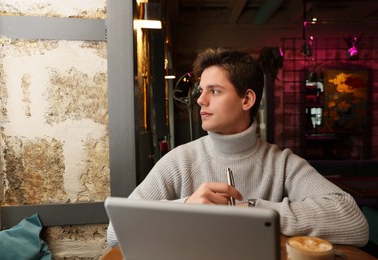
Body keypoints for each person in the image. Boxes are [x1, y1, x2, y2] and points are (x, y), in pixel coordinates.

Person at [107, 48, 368, 247]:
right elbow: (114, 232)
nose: (200, 100)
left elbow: (353, 222)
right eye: (201, 91)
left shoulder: (283, 163)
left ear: (247, 99)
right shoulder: (179, 160)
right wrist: (185, 208)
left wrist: (250, 210)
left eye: (215, 91)